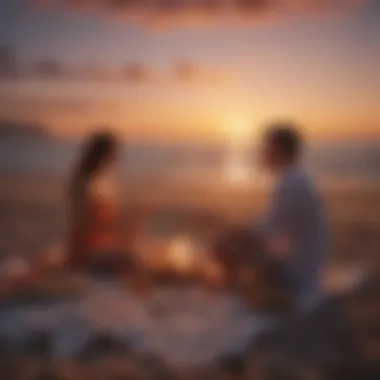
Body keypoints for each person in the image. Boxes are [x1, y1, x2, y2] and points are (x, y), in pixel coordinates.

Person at [258, 121, 329, 315]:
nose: (262, 154)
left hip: (297, 278)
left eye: (266, 148)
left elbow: (269, 234)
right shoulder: (298, 179)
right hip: (307, 269)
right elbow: (275, 226)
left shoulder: (291, 185)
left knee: (232, 244)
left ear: (279, 150)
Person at [67, 131, 132, 273]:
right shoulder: (85, 183)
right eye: (113, 154)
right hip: (88, 250)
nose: (116, 159)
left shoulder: (98, 180)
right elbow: (90, 221)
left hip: (96, 245)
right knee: (133, 261)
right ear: (102, 155)